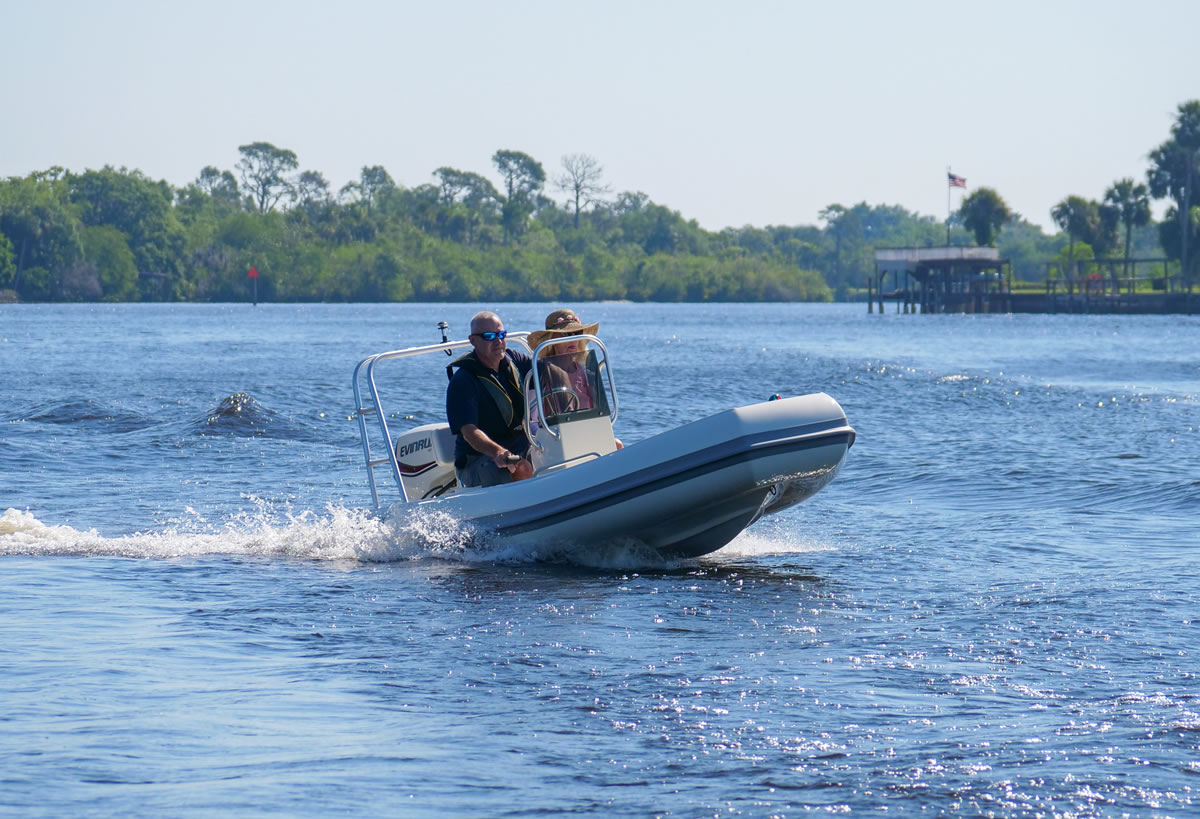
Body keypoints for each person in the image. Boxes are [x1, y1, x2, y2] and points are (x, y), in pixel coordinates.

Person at [446, 311, 534, 487]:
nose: (498, 341)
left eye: (502, 335)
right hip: (478, 461)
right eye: (489, 336)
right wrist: (498, 452)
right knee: (520, 468)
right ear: (473, 341)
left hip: (522, 448)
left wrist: (567, 343)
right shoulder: (463, 381)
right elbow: (470, 432)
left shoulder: (515, 360)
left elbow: (547, 371)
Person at [526, 308, 623, 448]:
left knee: (617, 445)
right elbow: (532, 419)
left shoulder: (582, 370)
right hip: (556, 436)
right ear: (551, 340)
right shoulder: (541, 370)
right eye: (565, 334)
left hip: (584, 430)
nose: (572, 338)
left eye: (577, 333)